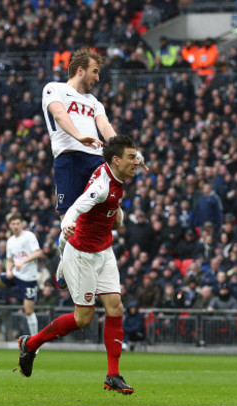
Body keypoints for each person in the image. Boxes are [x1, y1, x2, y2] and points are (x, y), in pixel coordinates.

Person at [18, 135, 139, 394]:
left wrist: (118, 215)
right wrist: (67, 224)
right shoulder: (102, 186)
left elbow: (114, 213)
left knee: (116, 307)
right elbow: (75, 208)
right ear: (116, 160)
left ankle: (113, 375)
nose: (136, 162)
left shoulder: (116, 174)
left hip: (104, 250)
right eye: (131, 157)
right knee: (83, 318)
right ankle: (31, 344)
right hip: (82, 252)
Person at [41, 46, 146, 289]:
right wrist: (78, 136)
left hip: (97, 160)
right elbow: (58, 114)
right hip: (69, 159)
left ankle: (87, 262)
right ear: (80, 70)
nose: (98, 78)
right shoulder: (54, 88)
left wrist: (131, 153)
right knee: (70, 219)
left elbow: (106, 127)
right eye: (95, 72)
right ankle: (64, 260)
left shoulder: (94, 101)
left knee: (116, 221)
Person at [0, 213, 42, 335]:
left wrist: (22, 262)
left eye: (18, 223)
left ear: (22, 225)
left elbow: (37, 253)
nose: (16, 226)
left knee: (28, 311)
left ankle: (35, 340)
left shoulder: (29, 236)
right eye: (13, 224)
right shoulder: (10, 241)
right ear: (9, 226)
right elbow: (9, 259)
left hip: (29, 278)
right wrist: (8, 270)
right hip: (15, 274)